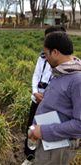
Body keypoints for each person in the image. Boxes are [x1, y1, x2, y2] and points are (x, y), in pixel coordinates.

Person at [28, 32, 81, 165]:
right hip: (49, 144)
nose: (45, 59)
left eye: (46, 54)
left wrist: (44, 131)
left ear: (55, 52)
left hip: (58, 148)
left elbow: (79, 124)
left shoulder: (76, 80)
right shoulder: (61, 73)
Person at [22, 26, 66, 165]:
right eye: (46, 37)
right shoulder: (42, 57)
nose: (48, 40)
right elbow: (35, 75)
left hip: (52, 103)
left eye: (51, 37)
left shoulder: (64, 62)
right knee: (31, 128)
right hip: (37, 99)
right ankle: (29, 157)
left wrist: (45, 96)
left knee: (48, 131)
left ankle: (45, 158)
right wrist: (35, 92)